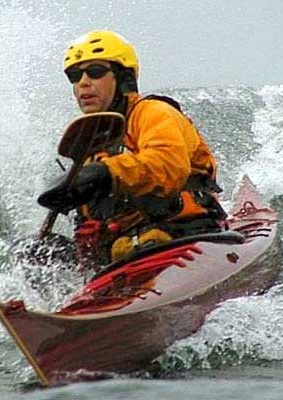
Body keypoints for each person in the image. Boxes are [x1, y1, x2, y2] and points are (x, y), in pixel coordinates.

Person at [38, 30, 226, 267]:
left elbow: (168, 165)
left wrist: (105, 173)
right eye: (75, 76)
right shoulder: (91, 141)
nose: (83, 82)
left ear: (123, 77)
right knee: (35, 252)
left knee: (148, 241)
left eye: (95, 72)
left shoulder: (153, 112)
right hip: (122, 253)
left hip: (182, 234)